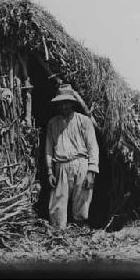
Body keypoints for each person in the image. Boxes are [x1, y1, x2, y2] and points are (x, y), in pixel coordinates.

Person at [45, 84, 99, 229]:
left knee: (82, 199)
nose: (64, 107)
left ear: (73, 103)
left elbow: (93, 146)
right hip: (61, 165)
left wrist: (91, 171)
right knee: (58, 202)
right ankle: (59, 231)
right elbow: (49, 148)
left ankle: (79, 229)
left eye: (67, 103)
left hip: (81, 164)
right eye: (61, 103)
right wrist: (50, 170)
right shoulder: (52, 123)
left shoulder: (84, 121)